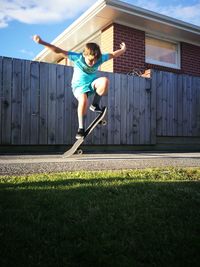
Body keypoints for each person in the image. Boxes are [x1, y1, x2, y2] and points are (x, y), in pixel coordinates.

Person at [33, 35, 126, 139]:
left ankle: (95, 105)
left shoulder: (99, 58)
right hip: (79, 87)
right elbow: (58, 50)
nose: (93, 63)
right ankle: (80, 129)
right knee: (83, 100)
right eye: (91, 60)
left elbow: (113, 55)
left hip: (91, 84)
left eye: (95, 60)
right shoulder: (77, 57)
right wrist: (42, 42)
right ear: (84, 55)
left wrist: (123, 49)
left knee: (105, 81)